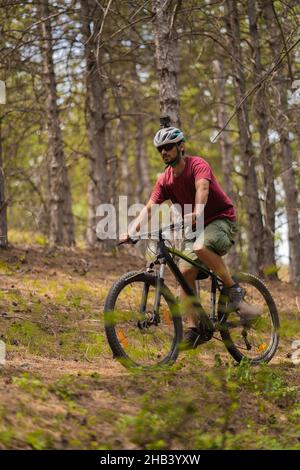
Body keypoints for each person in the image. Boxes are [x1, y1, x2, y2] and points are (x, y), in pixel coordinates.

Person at [120, 125, 261, 349]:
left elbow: (202, 189)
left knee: (199, 247)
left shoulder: (198, 165)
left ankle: (234, 291)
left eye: (168, 147)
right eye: (160, 149)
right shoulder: (165, 180)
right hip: (194, 227)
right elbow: (149, 207)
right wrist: (131, 230)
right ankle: (197, 329)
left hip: (220, 220)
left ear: (181, 146)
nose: (164, 152)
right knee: (184, 273)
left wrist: (197, 211)